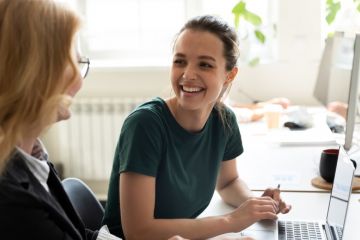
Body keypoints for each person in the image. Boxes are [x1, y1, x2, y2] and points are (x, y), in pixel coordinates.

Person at [103, 15, 291, 239]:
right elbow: (139, 232)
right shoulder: (145, 125)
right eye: (180, 61)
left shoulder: (224, 120)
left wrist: (254, 204)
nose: (188, 75)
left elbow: (229, 182)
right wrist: (231, 221)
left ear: (230, 74)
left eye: (205, 64)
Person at [0, 1, 119, 239]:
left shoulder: (29, 155)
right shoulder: (10, 197)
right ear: (33, 71)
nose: (79, 79)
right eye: (72, 61)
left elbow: (76, 235)